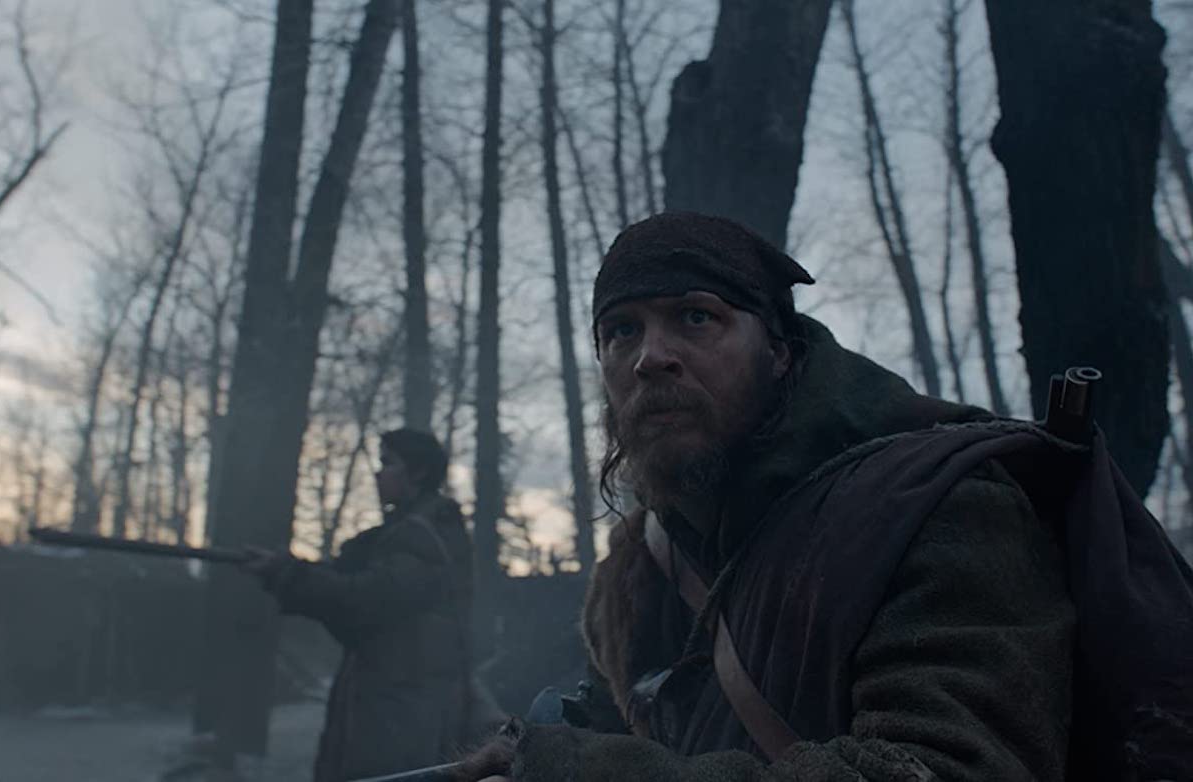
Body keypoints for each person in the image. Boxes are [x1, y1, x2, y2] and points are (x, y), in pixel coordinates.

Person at [458, 212, 1193, 782]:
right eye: (622, 331)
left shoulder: (939, 507)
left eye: (696, 316)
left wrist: (590, 773)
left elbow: (940, 770)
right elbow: (625, 726)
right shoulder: (642, 560)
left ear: (780, 352)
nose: (652, 357)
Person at [244, 428, 473, 782]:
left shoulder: (425, 534)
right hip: (394, 699)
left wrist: (288, 574)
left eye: (388, 463)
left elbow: (368, 597)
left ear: (418, 472)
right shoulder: (408, 532)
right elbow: (356, 583)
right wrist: (288, 571)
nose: (378, 473)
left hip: (401, 707)